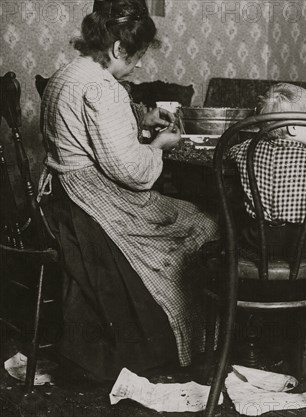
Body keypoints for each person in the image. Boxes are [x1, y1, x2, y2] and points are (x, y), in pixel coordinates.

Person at [38, 0, 219, 381]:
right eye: (135, 59)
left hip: (62, 199)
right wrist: (157, 147)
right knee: (202, 224)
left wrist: (141, 119)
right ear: (118, 49)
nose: (136, 67)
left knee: (187, 216)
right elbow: (132, 172)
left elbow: (90, 133)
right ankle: (186, 344)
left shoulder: (65, 75)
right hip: (91, 207)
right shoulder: (104, 89)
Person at [226, 83, 306, 261]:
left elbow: (230, 153)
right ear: (293, 128)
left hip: (259, 244)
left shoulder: (246, 149)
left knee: (233, 235)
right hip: (304, 245)